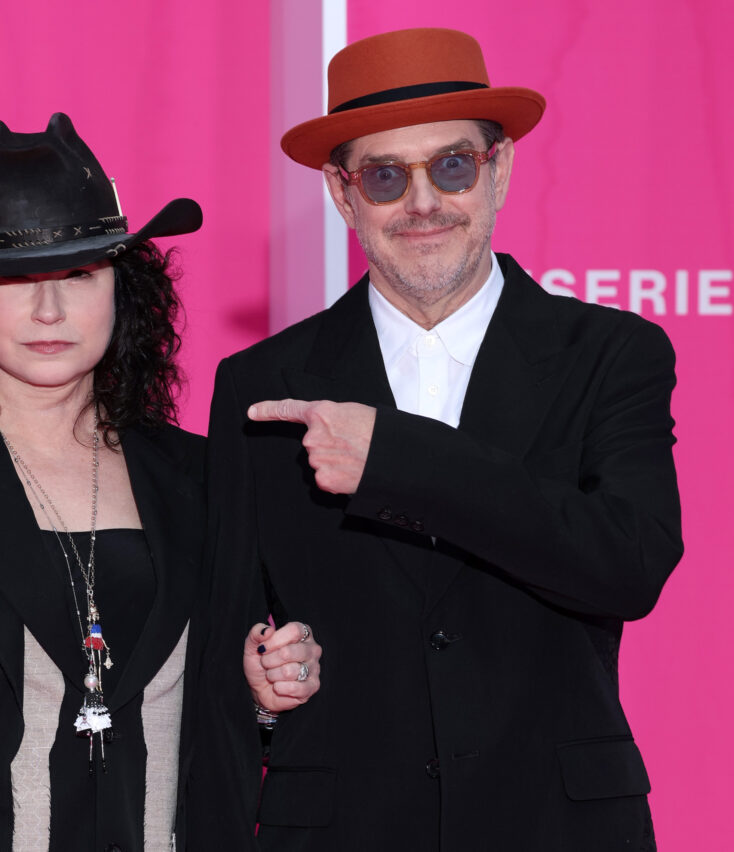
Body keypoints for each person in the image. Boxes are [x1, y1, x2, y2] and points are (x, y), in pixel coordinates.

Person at [193, 28, 681, 852]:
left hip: (558, 827)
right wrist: (258, 690)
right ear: (343, 196)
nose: (422, 204)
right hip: (340, 830)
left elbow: (626, 566)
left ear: (499, 171)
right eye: (385, 177)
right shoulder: (260, 384)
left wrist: (399, 459)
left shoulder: (611, 354)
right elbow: (226, 640)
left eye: (451, 166)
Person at [0, 113, 320, 852]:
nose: (48, 310)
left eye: (78, 273)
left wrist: (263, 697)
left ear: (122, 289)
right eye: (13, 278)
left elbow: (224, 729)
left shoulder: (199, 478)